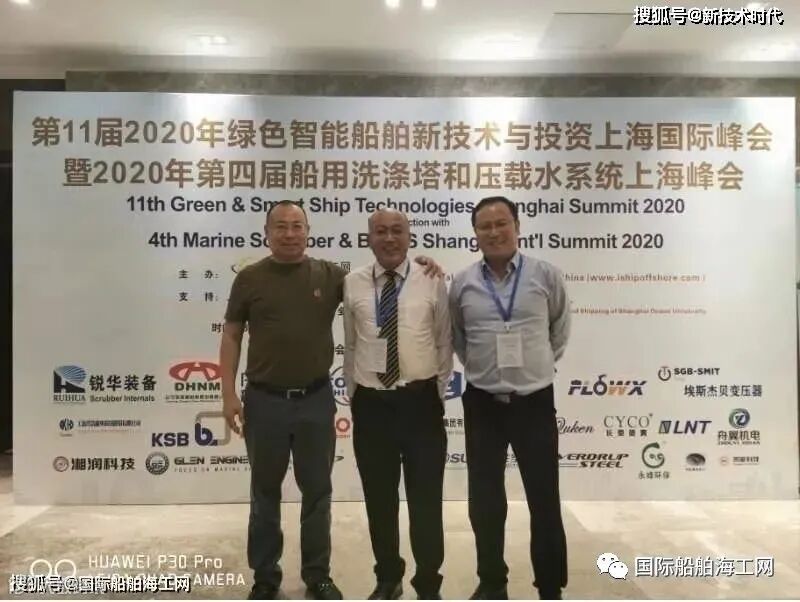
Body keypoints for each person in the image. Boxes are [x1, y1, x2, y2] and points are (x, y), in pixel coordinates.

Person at [220, 200, 441, 600]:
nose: (290, 233)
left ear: (308, 231)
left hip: (316, 399)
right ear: (266, 233)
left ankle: (317, 574)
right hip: (264, 401)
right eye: (281, 226)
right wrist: (228, 393)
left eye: (297, 226)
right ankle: (265, 576)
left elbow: (385, 275)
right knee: (264, 492)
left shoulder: (332, 275)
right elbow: (232, 334)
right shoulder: (250, 278)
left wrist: (426, 264)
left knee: (318, 492)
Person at [449, 196, 571, 601]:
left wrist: (533, 368)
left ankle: (550, 587)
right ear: (475, 234)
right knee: (485, 499)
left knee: (544, 498)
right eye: (485, 226)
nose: (494, 232)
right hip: (482, 403)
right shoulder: (463, 283)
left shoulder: (545, 275)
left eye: (502, 223)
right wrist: (486, 369)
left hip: (533, 402)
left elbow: (558, 331)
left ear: (517, 226)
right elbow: (460, 339)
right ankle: (491, 582)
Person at [343, 209, 452, 600]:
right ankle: (388, 578)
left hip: (420, 403)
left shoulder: (432, 278)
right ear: (369, 238)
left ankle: (428, 583)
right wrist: (355, 394)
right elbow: (351, 342)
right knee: (379, 499)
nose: (389, 238)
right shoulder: (352, 282)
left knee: (426, 501)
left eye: (397, 231)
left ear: (409, 236)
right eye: (380, 231)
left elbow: (443, 340)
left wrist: (435, 393)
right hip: (372, 405)